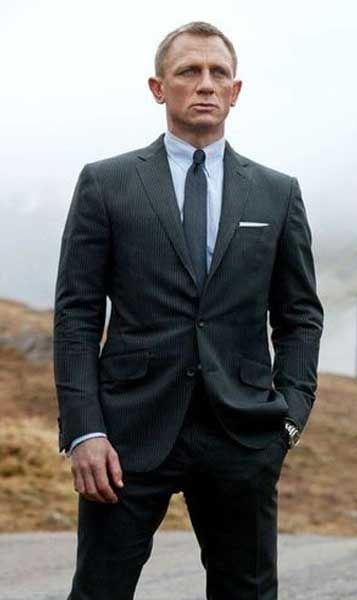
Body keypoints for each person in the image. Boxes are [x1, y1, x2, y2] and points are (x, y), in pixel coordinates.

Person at [52, 21, 323, 600]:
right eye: (188, 71)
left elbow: (299, 315)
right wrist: (84, 431)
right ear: (158, 87)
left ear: (235, 90)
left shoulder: (277, 192)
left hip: (242, 435)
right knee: (99, 591)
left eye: (218, 73)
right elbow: (76, 316)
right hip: (125, 437)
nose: (205, 84)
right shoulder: (106, 183)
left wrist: (289, 417)